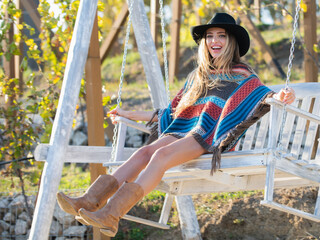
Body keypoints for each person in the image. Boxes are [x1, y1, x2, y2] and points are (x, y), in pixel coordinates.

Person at [56, 12, 295, 237]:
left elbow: (262, 95)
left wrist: (279, 97)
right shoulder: (199, 76)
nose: (215, 41)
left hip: (206, 136)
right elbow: (171, 112)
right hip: (182, 130)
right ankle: (90, 200)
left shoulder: (243, 75)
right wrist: (128, 113)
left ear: (231, 41)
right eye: (210, 36)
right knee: (144, 152)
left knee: (159, 156)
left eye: (221, 35)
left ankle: (112, 214)